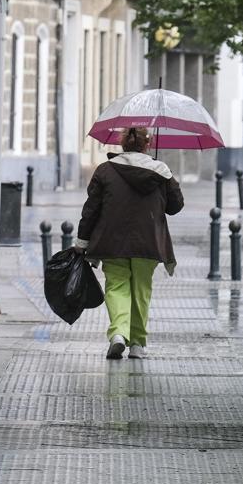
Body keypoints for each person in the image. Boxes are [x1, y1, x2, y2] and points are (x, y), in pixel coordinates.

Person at [76, 127, 184, 359]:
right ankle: (137, 344)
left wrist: (81, 241)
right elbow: (176, 206)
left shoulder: (105, 171)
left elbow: (91, 210)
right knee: (141, 290)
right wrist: (161, 182)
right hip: (149, 241)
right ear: (147, 145)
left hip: (112, 240)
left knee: (116, 287)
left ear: (122, 144)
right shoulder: (161, 171)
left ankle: (118, 334)